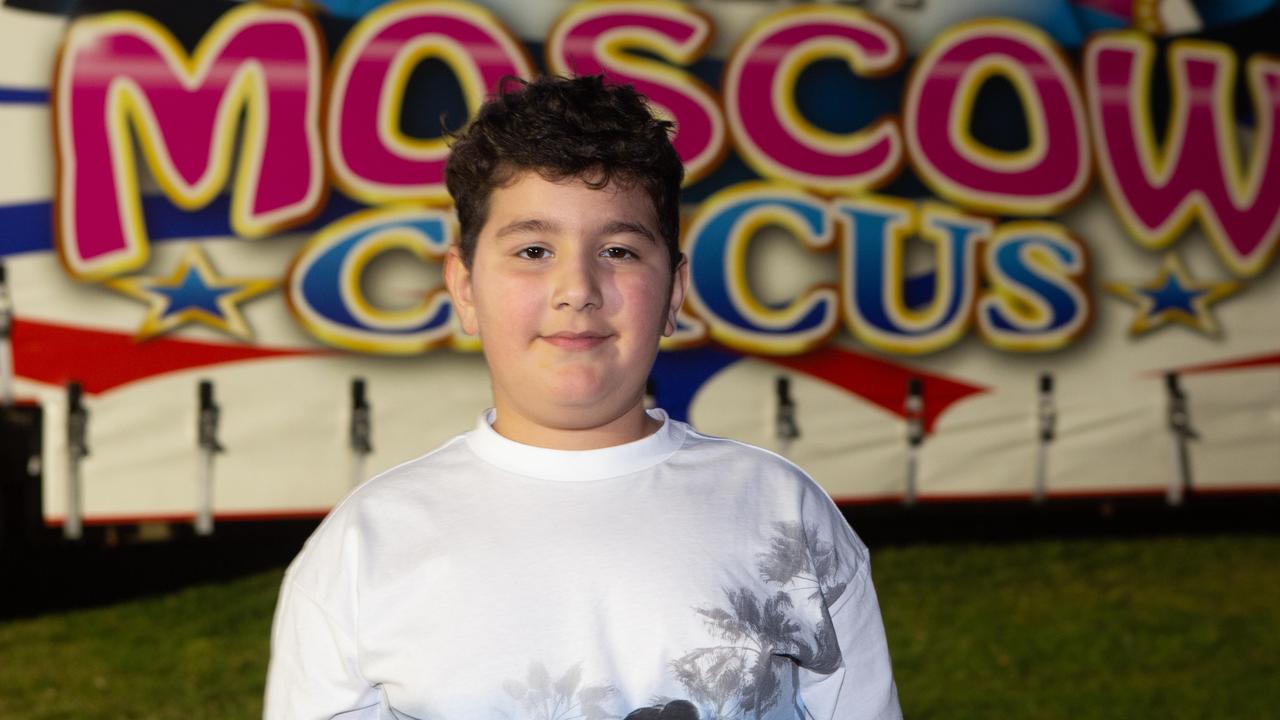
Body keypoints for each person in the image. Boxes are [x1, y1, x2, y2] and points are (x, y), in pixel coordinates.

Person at [264, 74, 901, 720]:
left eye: (618, 250)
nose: (578, 288)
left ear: (675, 292)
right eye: (534, 250)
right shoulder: (363, 547)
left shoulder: (781, 514)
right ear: (463, 286)